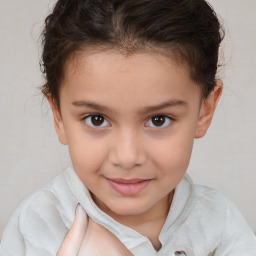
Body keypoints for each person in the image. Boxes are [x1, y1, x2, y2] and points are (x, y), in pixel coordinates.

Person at [1, 0, 256, 255]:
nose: (127, 157)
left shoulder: (221, 224)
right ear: (58, 115)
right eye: (96, 119)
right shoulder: (37, 226)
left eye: (159, 120)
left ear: (205, 110)